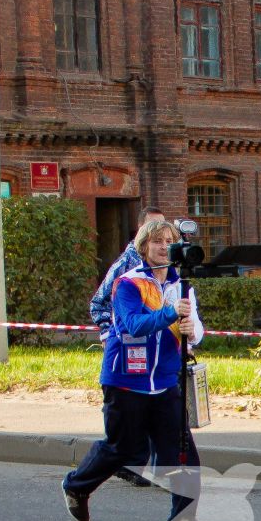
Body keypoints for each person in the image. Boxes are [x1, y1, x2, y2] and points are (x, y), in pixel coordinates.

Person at [62, 217, 206, 521]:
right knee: (123, 448)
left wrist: (191, 330)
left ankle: (183, 516)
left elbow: (196, 331)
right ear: (144, 246)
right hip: (126, 378)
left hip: (166, 380)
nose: (164, 247)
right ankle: (77, 486)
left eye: (169, 241)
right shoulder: (128, 283)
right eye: (157, 241)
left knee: (181, 450)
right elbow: (132, 325)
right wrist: (171, 313)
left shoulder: (181, 286)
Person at [90, 208, 171, 489]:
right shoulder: (127, 266)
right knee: (126, 425)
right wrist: (106, 334)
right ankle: (113, 469)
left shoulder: (170, 269)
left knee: (163, 415)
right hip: (128, 355)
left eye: (166, 236)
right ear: (140, 234)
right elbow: (99, 302)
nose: (161, 243)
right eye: (153, 234)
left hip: (158, 359)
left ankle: (160, 470)